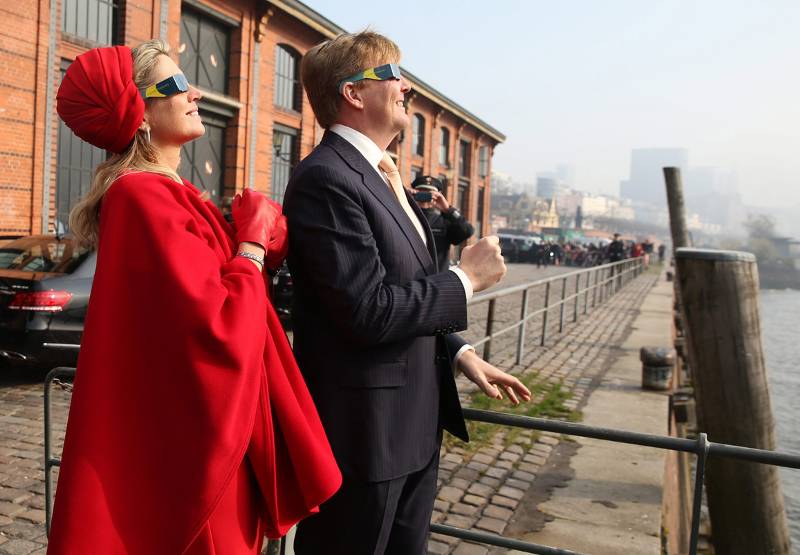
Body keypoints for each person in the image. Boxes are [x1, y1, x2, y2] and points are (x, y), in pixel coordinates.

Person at [48, 42, 341, 554]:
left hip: (214, 431)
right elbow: (215, 326)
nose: (195, 93)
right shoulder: (142, 195)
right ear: (140, 114)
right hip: (203, 445)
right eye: (175, 85)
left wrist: (254, 242)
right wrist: (250, 244)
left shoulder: (168, 193)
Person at [283, 31, 531, 554]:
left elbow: (404, 288)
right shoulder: (326, 178)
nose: (405, 87)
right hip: (366, 438)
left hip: (415, 426)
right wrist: (466, 278)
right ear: (353, 93)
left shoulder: (384, 174)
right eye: (392, 75)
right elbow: (365, 310)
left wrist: (458, 351)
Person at [412, 175, 475, 271]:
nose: (425, 195)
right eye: (421, 191)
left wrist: (447, 209)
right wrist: (404, 199)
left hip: (437, 276)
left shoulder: (444, 221)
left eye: (430, 193)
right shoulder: (405, 215)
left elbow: (468, 231)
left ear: (438, 196)